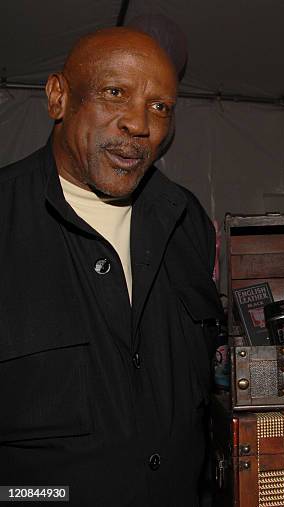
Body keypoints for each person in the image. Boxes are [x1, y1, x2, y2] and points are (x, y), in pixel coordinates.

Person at [0, 27, 222, 506]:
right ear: (59, 97)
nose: (138, 124)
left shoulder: (188, 223)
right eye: (115, 93)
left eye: (160, 106)